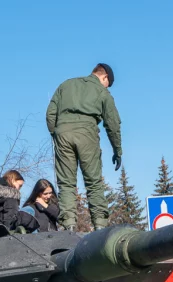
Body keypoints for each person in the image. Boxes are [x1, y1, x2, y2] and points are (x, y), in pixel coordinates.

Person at [46, 63, 122, 231]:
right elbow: (113, 124)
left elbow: (50, 114)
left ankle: (69, 225)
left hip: (62, 132)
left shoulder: (66, 85)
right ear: (104, 77)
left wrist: (57, 134)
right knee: (93, 182)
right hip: (87, 133)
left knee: (66, 182)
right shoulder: (102, 92)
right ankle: (100, 226)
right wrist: (117, 150)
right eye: (107, 83)